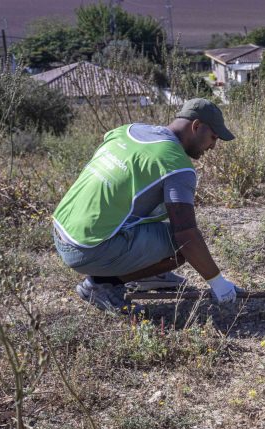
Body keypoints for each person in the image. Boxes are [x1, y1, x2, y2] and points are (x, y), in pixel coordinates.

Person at [52, 98, 241, 314]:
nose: (213, 146)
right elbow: (186, 235)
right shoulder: (176, 164)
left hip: (60, 230)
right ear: (196, 126)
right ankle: (101, 285)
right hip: (85, 249)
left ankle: (148, 274)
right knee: (180, 247)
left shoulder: (127, 131)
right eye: (213, 137)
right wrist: (218, 283)